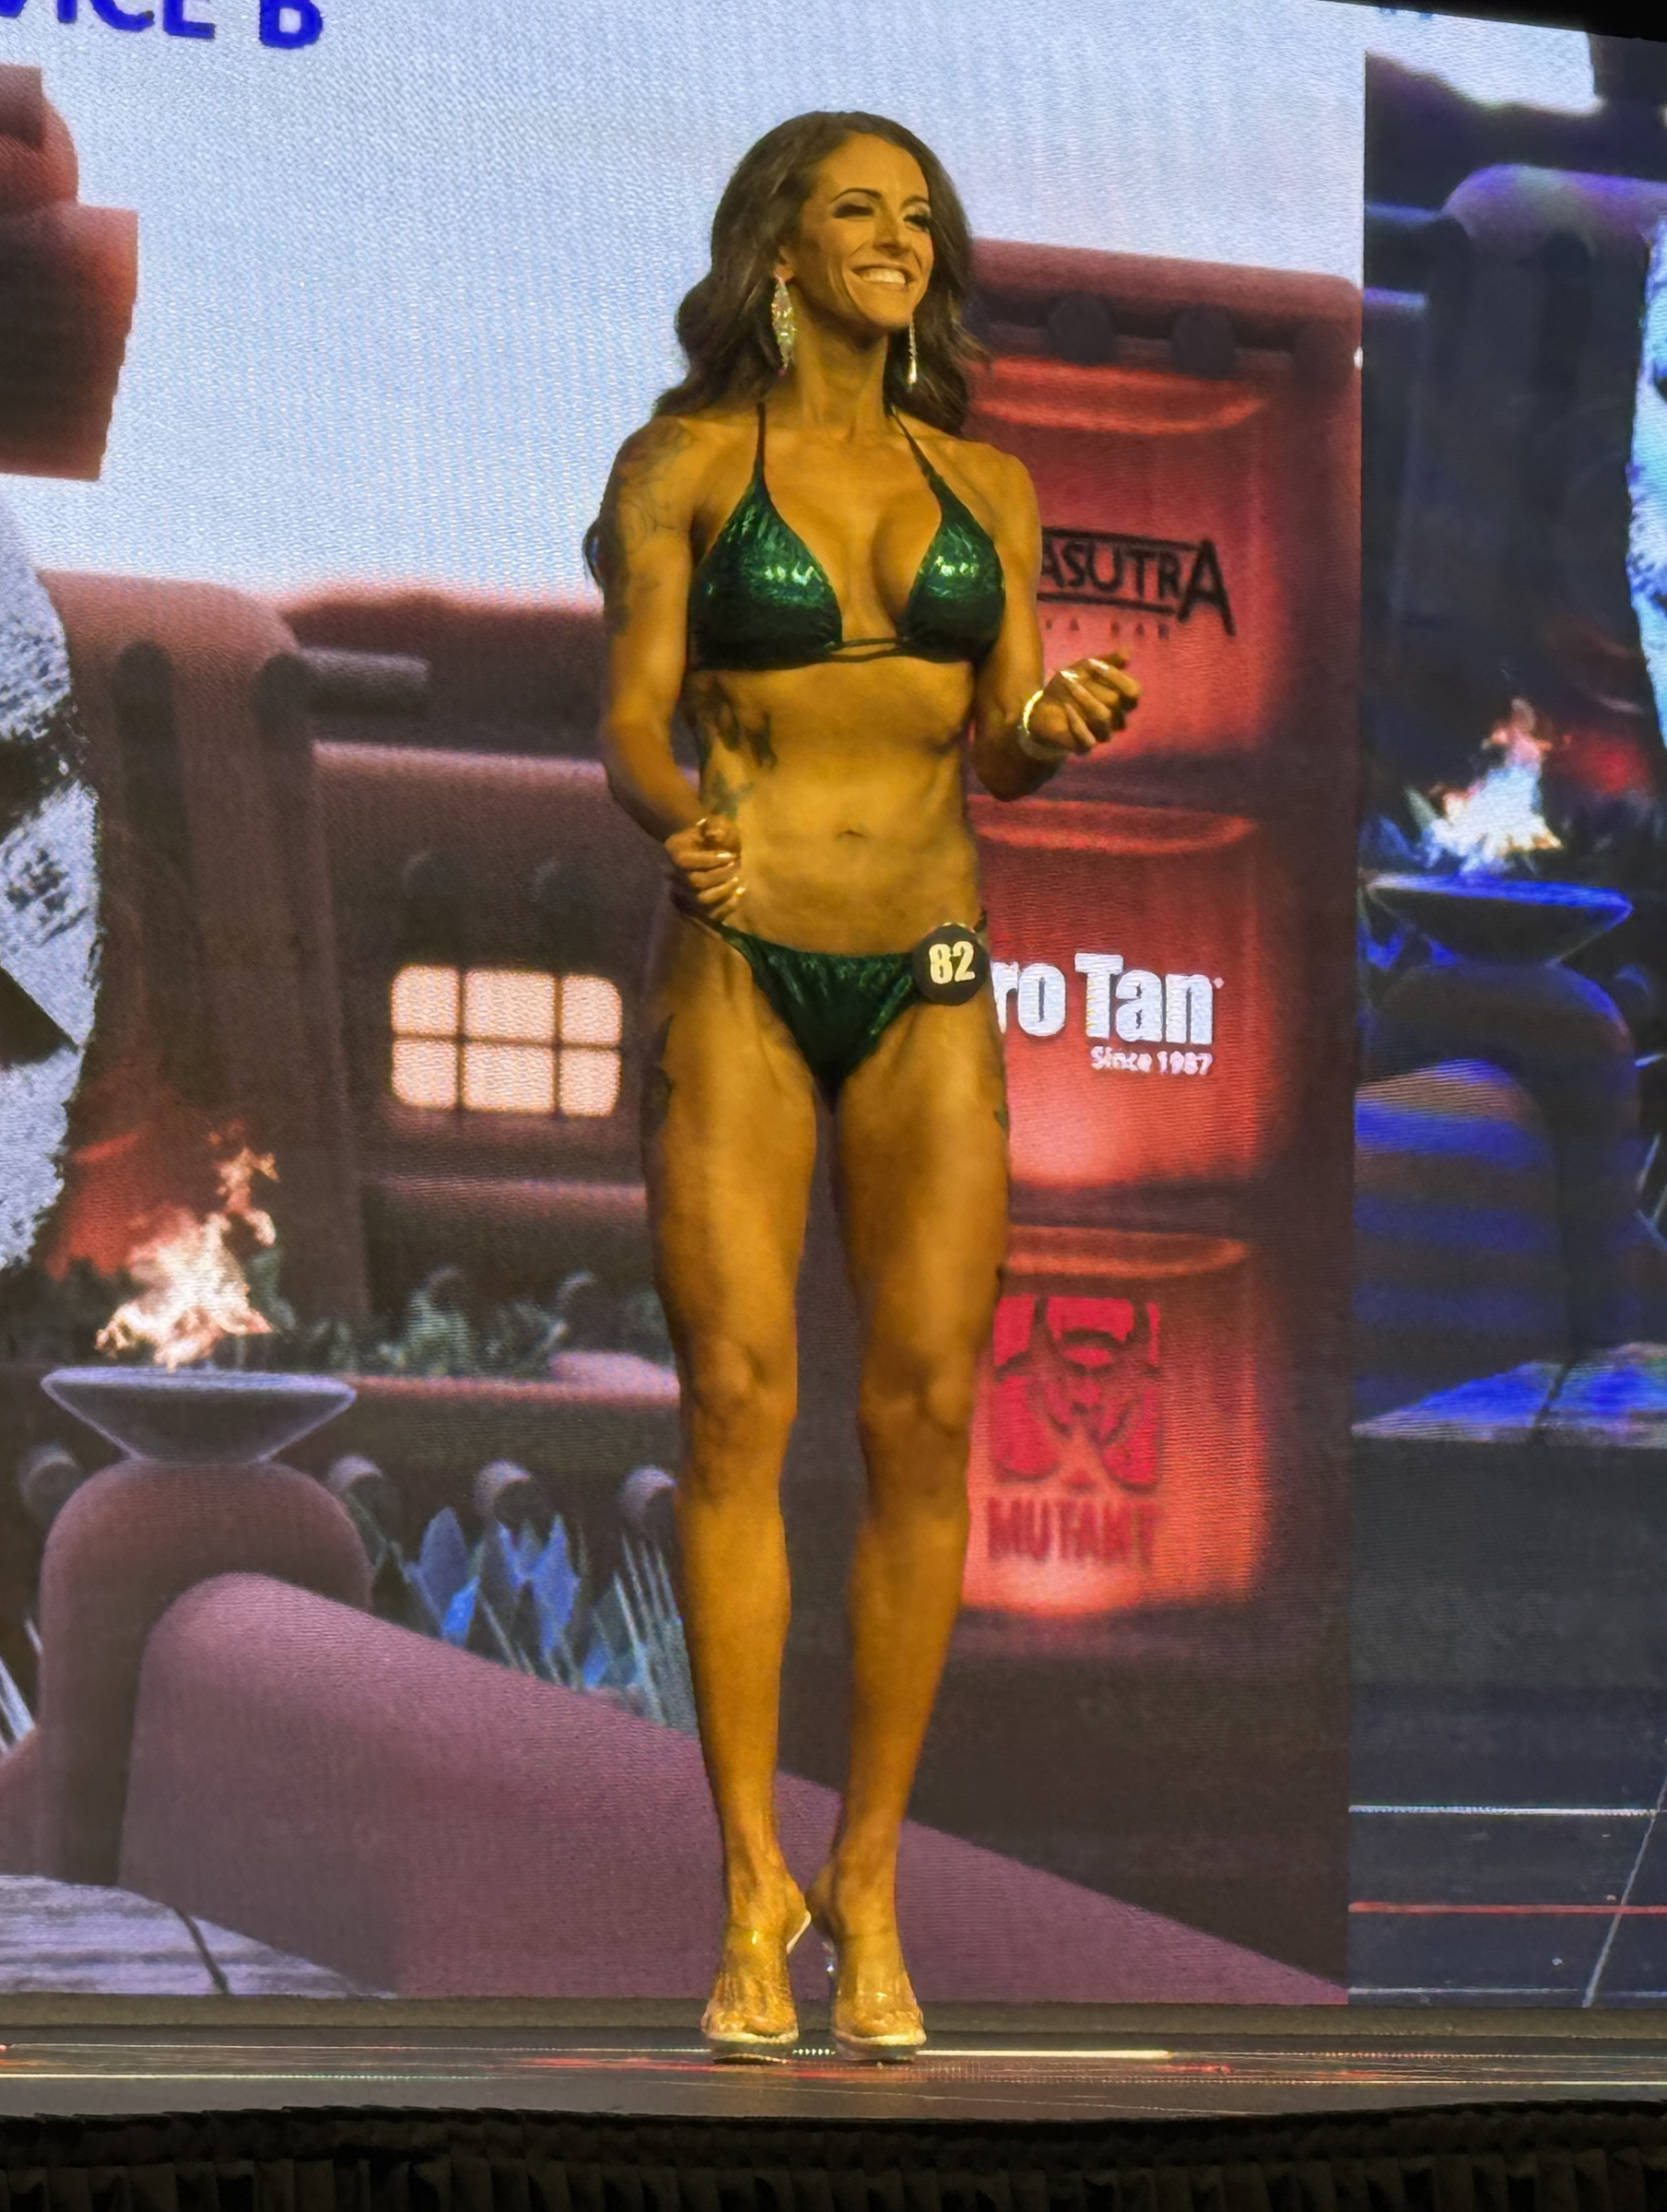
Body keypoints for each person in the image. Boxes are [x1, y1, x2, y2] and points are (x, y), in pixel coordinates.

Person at [587, 113, 1138, 2061]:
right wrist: (674, 822)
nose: (896, 240)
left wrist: (1054, 722)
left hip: (931, 970)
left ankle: (873, 1877)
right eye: (857, 212)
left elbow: (999, 749)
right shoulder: (680, 465)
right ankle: (750, 1879)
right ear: (780, 251)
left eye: (918, 218)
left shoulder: (985, 480)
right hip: (744, 958)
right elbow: (630, 717)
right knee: (739, 1405)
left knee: (925, 1419)